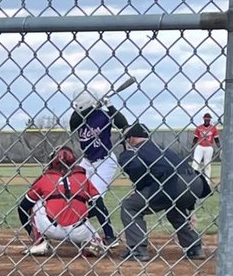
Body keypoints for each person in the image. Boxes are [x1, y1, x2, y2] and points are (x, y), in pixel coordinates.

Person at [117, 123, 212, 262]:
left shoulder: (132, 152)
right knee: (175, 210)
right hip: (195, 182)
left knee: (130, 206)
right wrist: (191, 208)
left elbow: (136, 166)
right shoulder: (162, 149)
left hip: (173, 184)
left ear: (130, 138)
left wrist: (139, 189)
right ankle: (195, 247)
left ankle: (138, 250)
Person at [18, 146, 105, 257]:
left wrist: (29, 230)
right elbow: (99, 206)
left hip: (50, 227)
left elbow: (22, 207)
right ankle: (93, 242)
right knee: (82, 207)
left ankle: (39, 241)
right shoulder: (82, 178)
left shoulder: (46, 178)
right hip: (79, 230)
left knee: (35, 201)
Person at [69, 89, 130, 247]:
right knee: (71, 190)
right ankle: (73, 222)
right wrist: (89, 108)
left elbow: (124, 125)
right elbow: (73, 123)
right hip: (87, 162)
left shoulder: (103, 115)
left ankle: (109, 236)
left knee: (95, 198)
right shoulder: (78, 117)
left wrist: (110, 106)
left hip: (104, 162)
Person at [192, 112, 220, 183]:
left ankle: (207, 181)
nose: (207, 121)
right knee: (195, 163)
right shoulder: (199, 128)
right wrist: (192, 146)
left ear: (210, 120)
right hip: (200, 146)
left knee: (207, 164)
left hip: (209, 147)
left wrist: (219, 147)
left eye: (208, 119)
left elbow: (216, 139)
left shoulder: (213, 128)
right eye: (206, 119)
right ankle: (194, 179)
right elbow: (195, 138)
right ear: (204, 119)